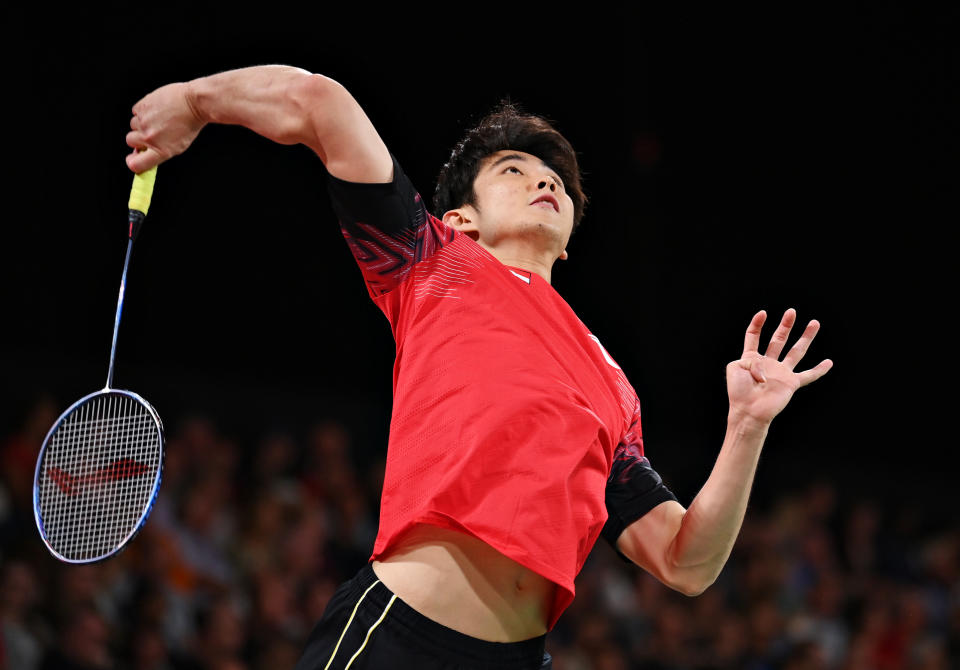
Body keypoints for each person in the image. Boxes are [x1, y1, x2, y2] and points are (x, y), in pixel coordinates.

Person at [126, 65, 833, 670]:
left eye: (554, 177)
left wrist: (745, 426)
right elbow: (319, 103)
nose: (544, 181)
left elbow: (686, 561)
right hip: (396, 639)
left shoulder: (611, 384)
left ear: (568, 244)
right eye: (514, 171)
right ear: (461, 220)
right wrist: (193, 101)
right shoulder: (430, 262)